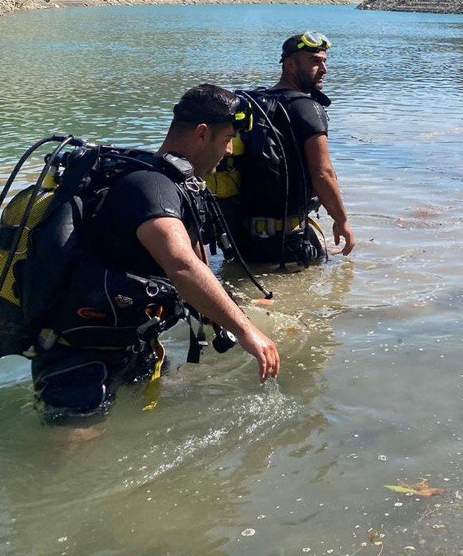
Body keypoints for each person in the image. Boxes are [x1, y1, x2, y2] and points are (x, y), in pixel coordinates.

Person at [31, 84, 281, 421]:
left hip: (129, 345)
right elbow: (182, 266)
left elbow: (197, 275)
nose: (228, 152)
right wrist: (248, 333)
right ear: (202, 134)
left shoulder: (172, 185)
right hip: (79, 358)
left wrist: (242, 313)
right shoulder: (152, 188)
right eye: (226, 140)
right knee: (63, 458)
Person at [222, 31, 355, 268]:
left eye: (325, 61)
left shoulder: (253, 103)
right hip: (289, 242)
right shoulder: (307, 108)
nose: (324, 69)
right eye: (315, 62)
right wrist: (342, 221)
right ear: (291, 65)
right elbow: (323, 173)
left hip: (241, 241)